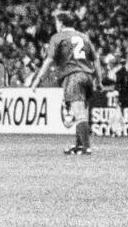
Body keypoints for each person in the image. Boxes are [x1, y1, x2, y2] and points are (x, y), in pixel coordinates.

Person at [31, 9, 102, 155]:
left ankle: (86, 147)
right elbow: (96, 60)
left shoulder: (58, 37)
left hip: (73, 76)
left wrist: (37, 79)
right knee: (80, 112)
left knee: (79, 113)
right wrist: (99, 81)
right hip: (87, 77)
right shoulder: (84, 37)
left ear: (61, 23)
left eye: (57, 22)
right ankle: (79, 145)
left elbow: (49, 60)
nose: (56, 25)